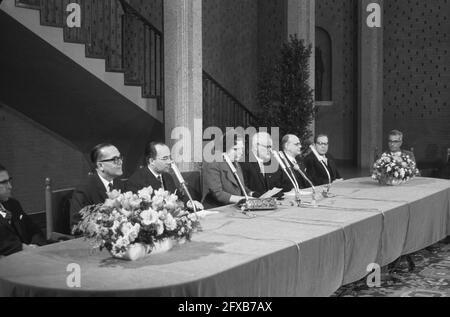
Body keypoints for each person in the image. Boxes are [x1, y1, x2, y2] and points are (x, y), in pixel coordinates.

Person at [127, 142, 203, 210]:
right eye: (165, 158)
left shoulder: (167, 177)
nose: (169, 162)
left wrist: (189, 203)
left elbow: (178, 196)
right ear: (152, 161)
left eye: (170, 157)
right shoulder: (136, 181)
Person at [70, 143, 126, 229]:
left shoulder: (120, 184)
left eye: (120, 158)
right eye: (115, 159)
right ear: (100, 165)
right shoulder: (84, 189)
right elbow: (77, 226)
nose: (120, 162)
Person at [0, 164, 47, 257]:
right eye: (4, 182)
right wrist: (25, 249)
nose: (10, 186)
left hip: (30, 259)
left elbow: (34, 230)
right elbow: (5, 244)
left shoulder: (13, 204)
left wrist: (36, 245)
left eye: (9, 181)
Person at [202, 133, 256, 209]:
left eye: (242, 149)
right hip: (217, 208)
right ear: (224, 148)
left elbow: (241, 187)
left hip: (234, 206)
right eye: (235, 149)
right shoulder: (213, 164)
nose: (240, 153)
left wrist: (252, 194)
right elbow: (218, 194)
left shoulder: (235, 164)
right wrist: (243, 199)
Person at [241, 132, 290, 197]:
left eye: (271, 147)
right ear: (256, 146)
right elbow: (243, 188)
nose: (270, 150)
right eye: (268, 147)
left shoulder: (267, 162)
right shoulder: (244, 163)